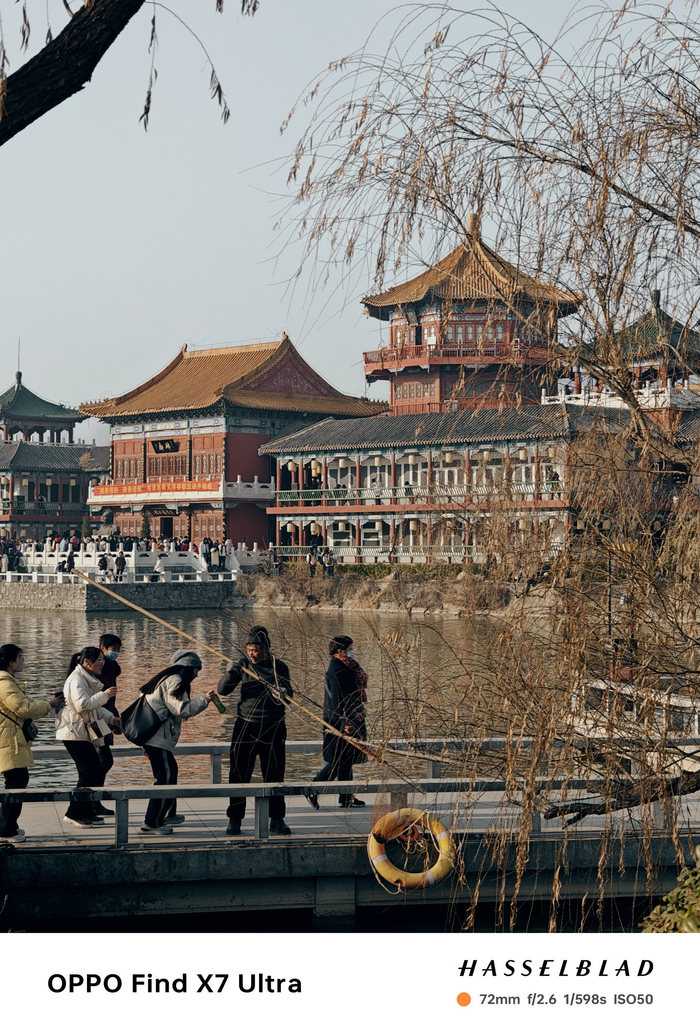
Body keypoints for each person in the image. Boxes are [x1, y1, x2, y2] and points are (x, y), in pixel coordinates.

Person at [218, 628, 293, 837]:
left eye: (256, 650)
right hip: (246, 725)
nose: (252, 654)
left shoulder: (279, 667)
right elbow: (222, 690)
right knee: (239, 773)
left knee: (275, 773)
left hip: (273, 725)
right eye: (249, 649)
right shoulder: (243, 665)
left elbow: (289, 697)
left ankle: (276, 819)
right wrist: (231, 672)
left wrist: (282, 692)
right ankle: (235, 820)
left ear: (266, 649)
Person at [139, 650, 214, 835]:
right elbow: (181, 709)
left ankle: (166, 814)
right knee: (165, 778)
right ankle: (152, 822)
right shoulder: (175, 681)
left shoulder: (165, 679)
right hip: (157, 739)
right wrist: (205, 700)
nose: (197, 675)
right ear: (187, 668)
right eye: (196, 670)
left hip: (154, 738)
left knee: (170, 774)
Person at [0, 644, 64, 843]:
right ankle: (6, 829)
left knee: (17, 781)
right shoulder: (5, 683)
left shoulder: (9, 681)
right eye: (20, 657)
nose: (23, 661)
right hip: (10, 741)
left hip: (13, 739)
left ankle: (9, 826)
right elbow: (23, 708)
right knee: (16, 783)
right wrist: (49, 704)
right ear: (11, 662)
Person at [56, 647, 119, 827]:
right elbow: (83, 705)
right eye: (99, 659)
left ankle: (87, 810)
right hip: (74, 732)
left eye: (102, 659)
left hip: (82, 731)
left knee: (95, 770)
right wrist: (105, 695)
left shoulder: (86, 678)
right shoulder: (77, 679)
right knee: (89, 771)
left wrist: (112, 719)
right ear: (86, 661)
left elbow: (94, 708)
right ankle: (74, 813)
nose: (102, 663)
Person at [306, 635, 367, 810]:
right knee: (339, 758)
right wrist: (346, 723)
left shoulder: (344, 666)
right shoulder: (338, 669)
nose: (352, 652)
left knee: (346, 758)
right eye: (350, 649)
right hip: (340, 720)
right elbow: (338, 699)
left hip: (348, 718)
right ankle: (314, 788)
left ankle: (346, 796)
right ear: (340, 650)